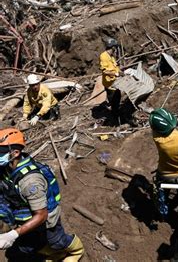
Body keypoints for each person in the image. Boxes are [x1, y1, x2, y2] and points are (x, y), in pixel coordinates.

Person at [0, 128, 84, 261]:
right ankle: (52, 253)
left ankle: (77, 251)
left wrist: (13, 234)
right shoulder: (6, 168)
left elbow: (42, 215)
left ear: (15, 153)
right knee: (30, 244)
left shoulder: (30, 181)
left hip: (46, 217)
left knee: (57, 241)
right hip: (24, 214)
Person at [99, 38, 121, 115]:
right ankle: (115, 118)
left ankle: (116, 113)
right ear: (113, 47)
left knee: (117, 100)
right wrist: (115, 74)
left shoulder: (111, 57)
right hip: (110, 84)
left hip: (115, 83)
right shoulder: (104, 56)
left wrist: (120, 72)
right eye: (115, 47)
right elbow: (104, 71)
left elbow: (115, 67)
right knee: (114, 102)